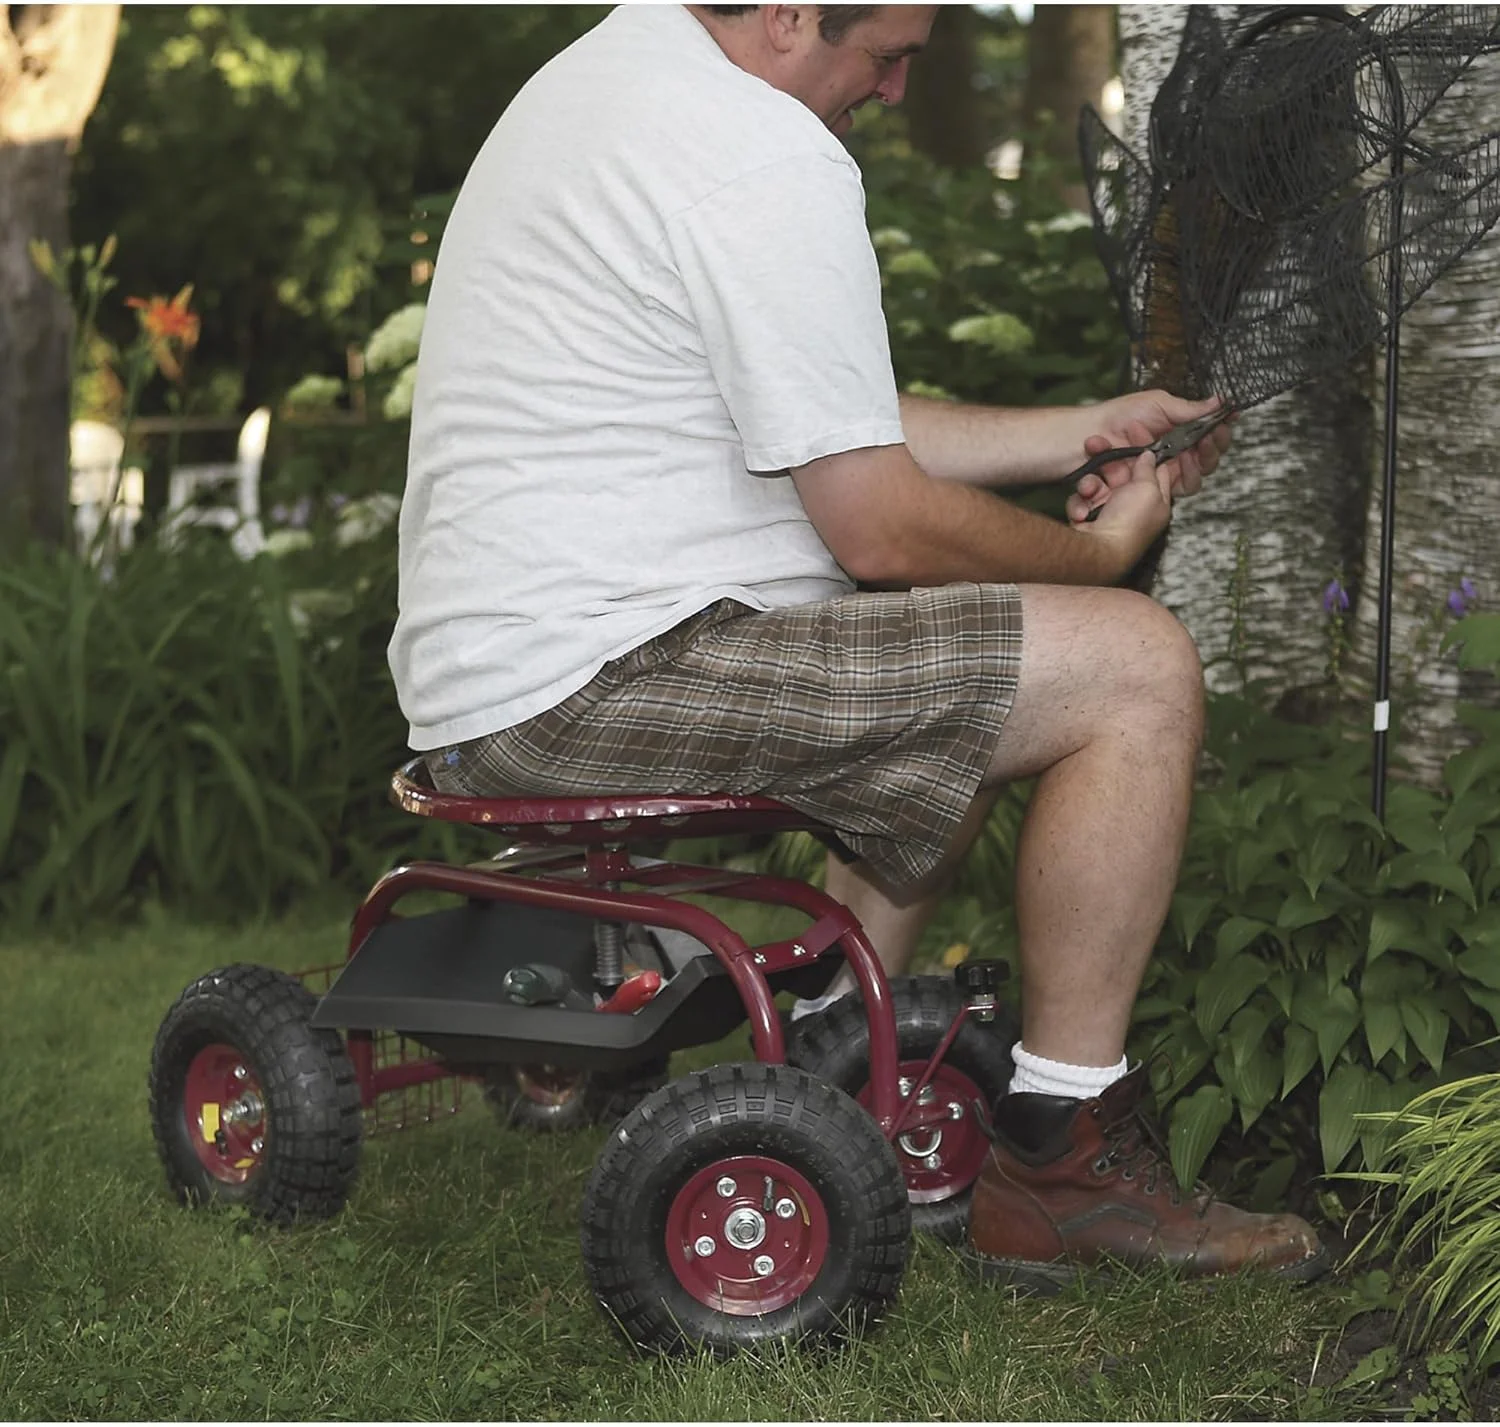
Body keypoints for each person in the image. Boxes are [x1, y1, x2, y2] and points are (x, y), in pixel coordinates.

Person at [390, 4, 1327, 1288]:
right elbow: (878, 525)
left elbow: (828, 412)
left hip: (522, 666)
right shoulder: (760, 149)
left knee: (968, 673)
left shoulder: (618, 72)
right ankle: (1063, 1156)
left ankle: (833, 1045)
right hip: (607, 673)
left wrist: (1081, 428)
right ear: (786, 16)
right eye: (887, 54)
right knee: (1133, 666)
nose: (892, 91)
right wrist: (1106, 561)